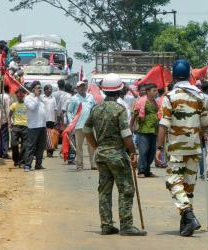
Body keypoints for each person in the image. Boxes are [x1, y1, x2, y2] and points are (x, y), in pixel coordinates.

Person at [83, 73, 147, 236]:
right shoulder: (119, 110)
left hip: (102, 154)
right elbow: (126, 135)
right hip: (117, 155)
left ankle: (106, 224)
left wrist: (97, 146)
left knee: (104, 190)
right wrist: (133, 151)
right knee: (126, 189)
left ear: (104, 91)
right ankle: (126, 225)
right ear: (119, 91)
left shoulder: (96, 108)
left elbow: (87, 130)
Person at [155, 59, 208, 237]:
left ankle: (188, 214)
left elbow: (163, 124)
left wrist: (158, 148)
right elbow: (204, 123)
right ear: (188, 75)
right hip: (194, 147)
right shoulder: (200, 96)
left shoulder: (170, 97)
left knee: (173, 182)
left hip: (177, 148)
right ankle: (186, 224)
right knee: (188, 187)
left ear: (174, 75)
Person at [67, 81, 96, 170]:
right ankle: (79, 164)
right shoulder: (74, 98)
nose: (82, 88)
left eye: (83, 86)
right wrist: (71, 123)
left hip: (90, 125)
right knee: (79, 146)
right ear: (77, 88)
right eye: (80, 86)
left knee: (92, 145)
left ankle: (93, 164)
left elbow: (94, 108)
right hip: (78, 125)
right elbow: (69, 111)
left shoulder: (90, 97)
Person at [132, 83, 159, 178]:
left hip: (154, 130)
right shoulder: (141, 102)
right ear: (148, 92)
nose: (156, 92)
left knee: (151, 152)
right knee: (143, 151)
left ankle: (147, 170)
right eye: (154, 91)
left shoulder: (156, 102)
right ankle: (141, 171)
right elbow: (134, 115)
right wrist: (131, 128)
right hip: (143, 130)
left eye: (156, 90)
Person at [24, 81, 47, 172]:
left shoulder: (41, 99)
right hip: (33, 126)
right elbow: (32, 107)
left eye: (40, 88)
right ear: (33, 89)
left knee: (41, 146)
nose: (40, 90)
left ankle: (38, 164)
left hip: (42, 125)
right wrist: (37, 98)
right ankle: (27, 165)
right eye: (38, 88)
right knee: (31, 146)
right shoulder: (28, 98)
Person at [10, 88, 28, 167]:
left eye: (21, 96)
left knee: (24, 146)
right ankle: (16, 159)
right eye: (18, 96)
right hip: (16, 126)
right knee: (14, 144)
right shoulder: (14, 105)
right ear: (16, 96)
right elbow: (9, 114)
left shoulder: (27, 105)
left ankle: (21, 161)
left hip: (26, 126)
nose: (20, 97)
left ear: (24, 95)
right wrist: (10, 122)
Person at [43, 84, 58, 158]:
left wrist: (55, 119)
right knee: (44, 136)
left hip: (51, 120)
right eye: (49, 89)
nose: (51, 90)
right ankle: (43, 151)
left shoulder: (53, 98)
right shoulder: (42, 98)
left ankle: (50, 152)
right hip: (43, 120)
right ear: (45, 90)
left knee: (51, 136)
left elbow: (55, 109)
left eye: (51, 89)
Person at [0, 85, 12, 159]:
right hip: (4, 119)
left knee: (0, 137)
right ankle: (4, 153)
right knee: (5, 137)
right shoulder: (6, 97)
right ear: (9, 89)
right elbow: (7, 109)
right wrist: (9, 120)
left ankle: (0, 153)